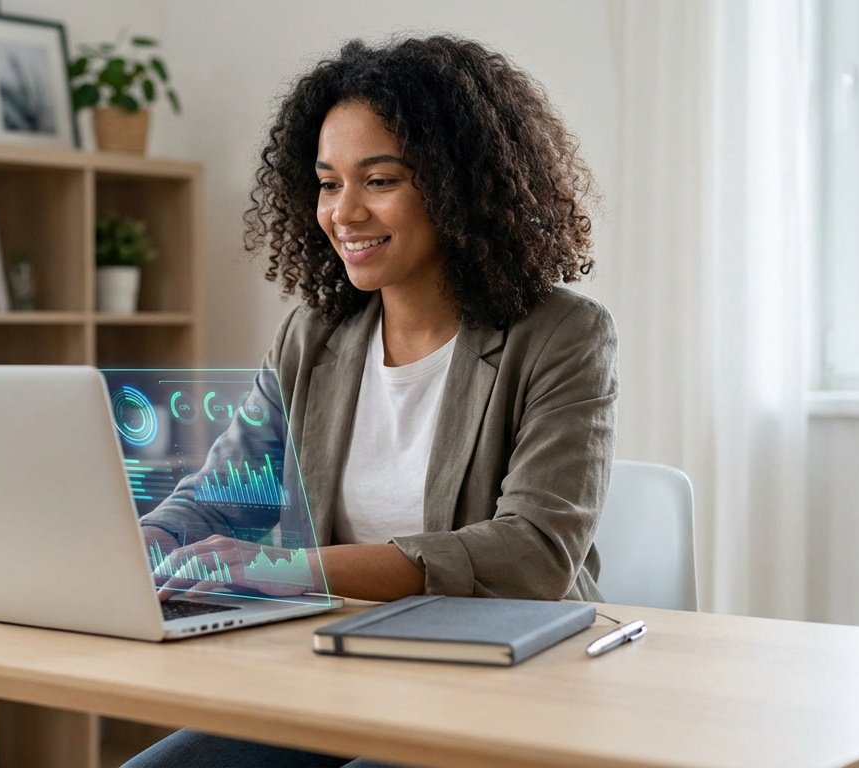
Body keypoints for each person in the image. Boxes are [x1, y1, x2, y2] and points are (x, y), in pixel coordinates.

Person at [126, 34, 616, 768]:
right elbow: (224, 498)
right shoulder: (313, 337)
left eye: (379, 180)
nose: (343, 212)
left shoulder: (562, 335)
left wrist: (287, 569)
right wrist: (147, 542)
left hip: (504, 685)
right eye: (328, 184)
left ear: (458, 186)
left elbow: (534, 552)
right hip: (339, 674)